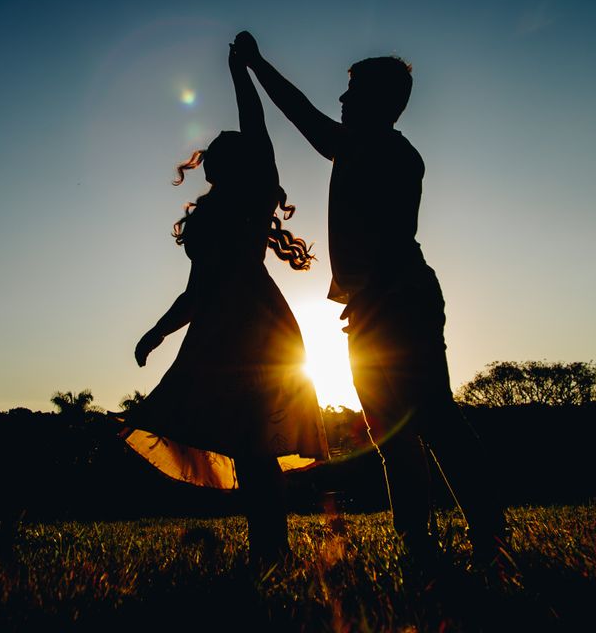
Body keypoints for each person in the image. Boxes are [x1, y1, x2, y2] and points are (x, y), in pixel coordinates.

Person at [231, 30, 506, 568]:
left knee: (434, 422)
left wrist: (257, 65)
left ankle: (489, 539)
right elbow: (311, 119)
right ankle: (418, 544)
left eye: (352, 90)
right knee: (392, 433)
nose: (342, 98)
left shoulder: (383, 150)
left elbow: (305, 118)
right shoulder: (365, 147)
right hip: (372, 307)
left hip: (398, 301)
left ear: (380, 101)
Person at [124, 43, 328, 567]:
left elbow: (256, 127)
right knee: (242, 443)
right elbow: (196, 290)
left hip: (258, 327)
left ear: (241, 162)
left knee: (256, 446)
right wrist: (158, 332)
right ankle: (269, 550)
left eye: (223, 146)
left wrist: (241, 70)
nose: (210, 149)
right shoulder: (208, 213)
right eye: (211, 146)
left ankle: (273, 552)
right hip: (216, 330)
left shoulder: (255, 195)